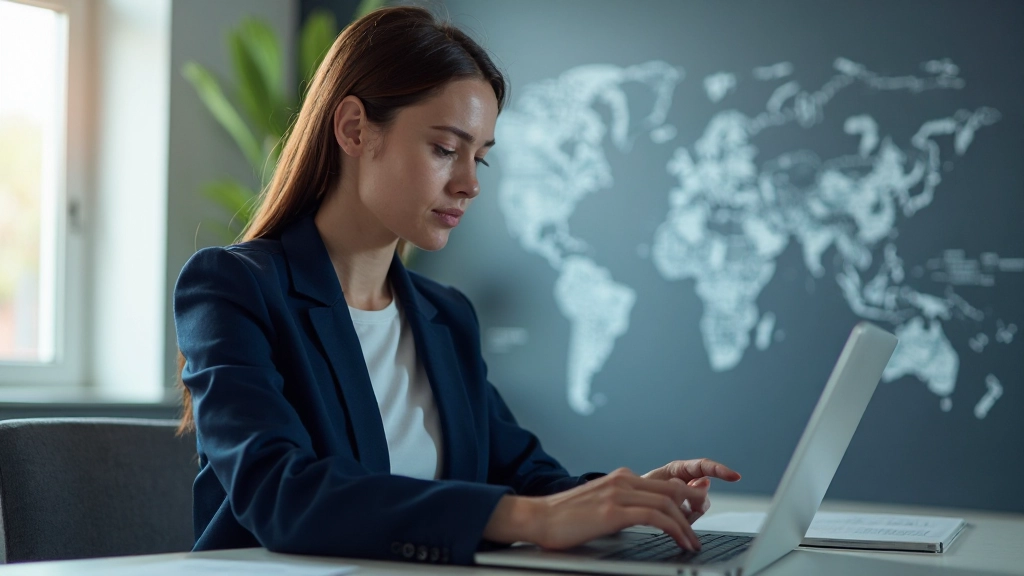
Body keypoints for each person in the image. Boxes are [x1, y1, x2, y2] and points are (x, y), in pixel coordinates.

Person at [173, 5, 741, 567]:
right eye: (446, 149)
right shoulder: (232, 289)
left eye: (480, 159)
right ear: (354, 129)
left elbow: (523, 473)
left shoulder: (445, 315)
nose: (469, 184)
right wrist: (533, 519)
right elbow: (282, 494)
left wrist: (627, 499)